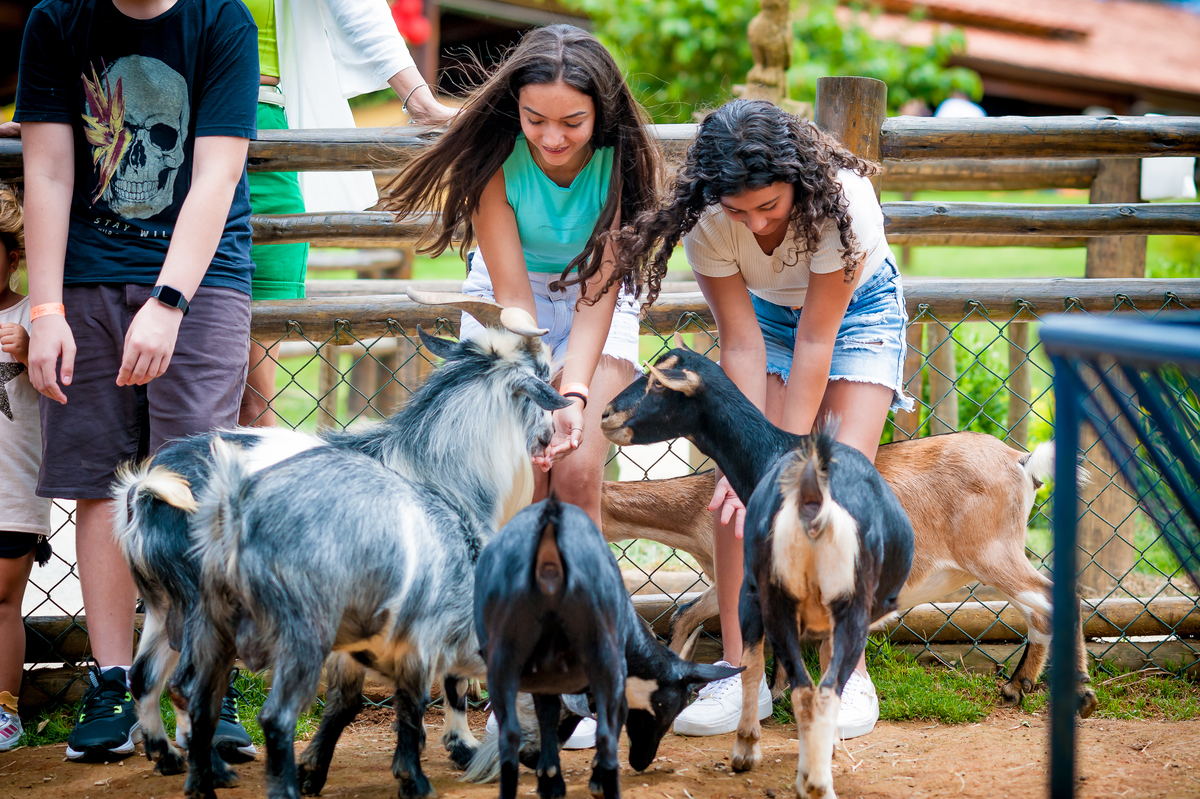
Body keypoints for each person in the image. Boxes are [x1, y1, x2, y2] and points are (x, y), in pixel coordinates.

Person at [385, 23, 662, 747]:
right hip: (510, 305)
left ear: (602, 113)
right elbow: (515, 303)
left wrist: (571, 400)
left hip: (597, 299)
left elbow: (601, 296)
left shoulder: (622, 163)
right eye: (535, 120)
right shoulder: (494, 156)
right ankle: (510, 661)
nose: (552, 138)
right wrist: (540, 397)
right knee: (516, 485)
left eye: (572, 122)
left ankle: (587, 662)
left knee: (577, 471)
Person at [617, 99, 914, 739]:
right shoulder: (707, 220)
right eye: (739, 211)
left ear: (798, 186)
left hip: (853, 315)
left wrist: (787, 464)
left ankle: (847, 672)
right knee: (740, 490)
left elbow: (818, 339)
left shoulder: (844, 204)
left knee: (836, 489)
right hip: (765, 321)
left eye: (769, 208)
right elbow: (743, 346)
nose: (753, 224)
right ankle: (737, 667)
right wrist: (749, 465)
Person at [15, 0, 259, 761]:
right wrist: (45, 307)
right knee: (100, 482)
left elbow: (216, 175)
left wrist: (170, 301)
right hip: (85, 280)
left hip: (200, 280)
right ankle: (115, 678)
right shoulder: (57, 20)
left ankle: (198, 680)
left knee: (190, 483)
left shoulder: (223, 22)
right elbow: (50, 170)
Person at [237, 0, 457, 427]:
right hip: (180, 126)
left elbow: (357, 7)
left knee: (255, 401)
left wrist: (418, 100)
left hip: (267, 131)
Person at [0, 182, 52, 752]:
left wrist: (25, 347)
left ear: (13, 255)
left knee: (2, 599)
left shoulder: (33, 318)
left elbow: (63, 383)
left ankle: (4, 708)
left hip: (10, 490)